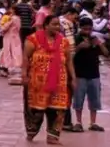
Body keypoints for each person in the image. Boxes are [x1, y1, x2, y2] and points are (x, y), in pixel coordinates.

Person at [23, 13, 73, 144]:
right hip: (37, 84)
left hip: (59, 84)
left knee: (57, 110)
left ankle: (52, 137)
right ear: (45, 26)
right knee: (36, 111)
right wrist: (24, 75)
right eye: (54, 24)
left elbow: (68, 62)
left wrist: (73, 78)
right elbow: (25, 59)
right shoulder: (33, 39)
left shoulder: (64, 42)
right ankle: (31, 133)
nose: (57, 27)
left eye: (58, 25)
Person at [70, 14, 107, 132]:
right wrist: (79, 48)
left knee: (94, 99)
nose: (87, 31)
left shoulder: (94, 39)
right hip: (80, 74)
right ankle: (78, 122)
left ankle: (93, 122)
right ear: (80, 27)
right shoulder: (75, 39)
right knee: (78, 99)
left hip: (94, 74)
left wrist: (100, 44)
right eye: (85, 29)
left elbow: (107, 54)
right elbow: (69, 56)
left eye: (90, 29)